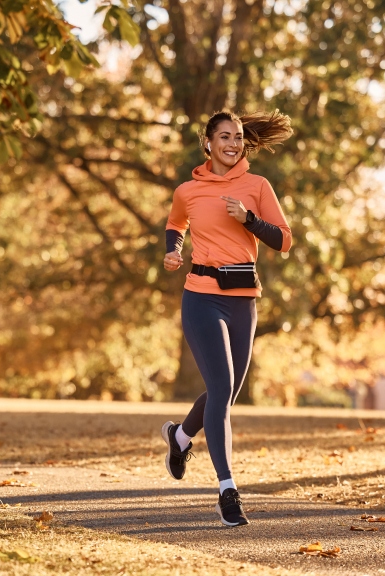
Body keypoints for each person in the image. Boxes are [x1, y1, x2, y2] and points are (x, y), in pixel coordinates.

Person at [161, 110, 293, 527]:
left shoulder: (257, 186)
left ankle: (180, 438)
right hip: (201, 297)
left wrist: (250, 221)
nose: (233, 143)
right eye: (224, 137)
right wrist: (173, 250)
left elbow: (284, 240)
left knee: (227, 393)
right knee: (220, 387)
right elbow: (174, 223)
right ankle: (227, 490)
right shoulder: (188, 190)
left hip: (242, 300)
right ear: (208, 142)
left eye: (237, 137)